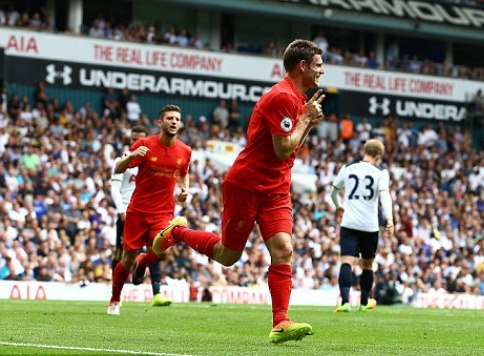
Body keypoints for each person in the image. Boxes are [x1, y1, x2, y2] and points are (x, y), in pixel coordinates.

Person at [151, 39, 325, 344]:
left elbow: (290, 145)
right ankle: (176, 233)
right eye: (318, 64)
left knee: (283, 249)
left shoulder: (298, 99)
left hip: (276, 189)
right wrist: (306, 121)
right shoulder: (282, 97)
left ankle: (281, 321)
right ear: (303, 66)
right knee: (228, 256)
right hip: (246, 185)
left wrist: (306, 122)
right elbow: (283, 148)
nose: (322, 70)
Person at [107, 104, 191, 315]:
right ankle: (115, 299)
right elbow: (118, 169)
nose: (173, 121)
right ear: (160, 123)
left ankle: (143, 261)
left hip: (163, 213)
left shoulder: (185, 150)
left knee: (163, 253)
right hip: (137, 211)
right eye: (169, 118)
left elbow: (184, 172)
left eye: (176, 119)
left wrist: (185, 190)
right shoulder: (144, 144)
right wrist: (130, 156)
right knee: (126, 260)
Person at [109, 125, 171, 307]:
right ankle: (116, 293)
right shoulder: (124, 160)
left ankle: (157, 292)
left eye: (140, 139)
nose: (136, 143)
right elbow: (114, 186)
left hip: (151, 212)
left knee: (156, 247)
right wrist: (121, 210)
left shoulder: (153, 160)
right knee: (122, 254)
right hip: (127, 211)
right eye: (133, 139)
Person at [329, 139, 394, 312]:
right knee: (367, 264)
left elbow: (333, 192)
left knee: (346, 261)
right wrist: (389, 218)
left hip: (349, 222)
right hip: (369, 225)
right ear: (379, 156)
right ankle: (364, 303)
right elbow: (384, 196)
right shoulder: (381, 172)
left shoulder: (348, 168)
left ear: (364, 150)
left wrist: (339, 207)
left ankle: (344, 302)